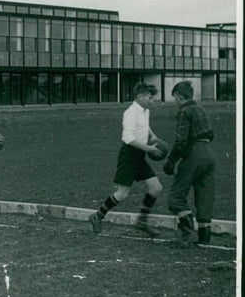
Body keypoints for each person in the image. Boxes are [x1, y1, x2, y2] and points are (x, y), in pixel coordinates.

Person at [89, 83, 167, 236]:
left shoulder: (145, 111)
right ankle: (97, 216)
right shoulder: (130, 113)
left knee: (156, 188)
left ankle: (141, 222)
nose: (152, 101)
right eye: (150, 98)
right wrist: (149, 148)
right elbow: (128, 138)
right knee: (122, 193)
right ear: (140, 97)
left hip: (140, 155)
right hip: (129, 155)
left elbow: (145, 126)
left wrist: (153, 136)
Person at [164, 81, 216, 245]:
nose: (175, 102)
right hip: (208, 153)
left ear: (180, 97)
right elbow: (211, 134)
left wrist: (171, 160)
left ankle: (187, 235)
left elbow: (181, 141)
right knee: (205, 197)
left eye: (175, 98)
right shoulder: (201, 109)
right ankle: (204, 238)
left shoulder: (184, 112)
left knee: (176, 197)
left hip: (194, 154)